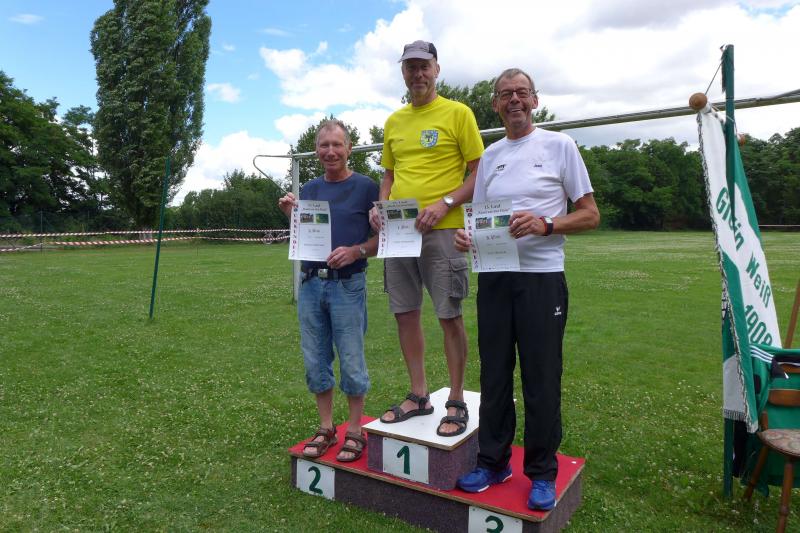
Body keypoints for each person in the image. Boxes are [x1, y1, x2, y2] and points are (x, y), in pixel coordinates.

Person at [454, 69, 600, 510]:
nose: (514, 100)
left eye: (521, 92)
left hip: (541, 278)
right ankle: (492, 462)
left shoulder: (560, 146)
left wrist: (546, 224)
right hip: (495, 277)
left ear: (535, 100)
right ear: (495, 105)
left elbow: (590, 214)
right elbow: (482, 218)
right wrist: (468, 236)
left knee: (541, 377)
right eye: (505, 94)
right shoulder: (491, 155)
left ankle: (541, 472)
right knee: (494, 374)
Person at [370, 40, 484, 437]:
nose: (417, 74)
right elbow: (389, 175)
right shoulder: (394, 121)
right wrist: (380, 206)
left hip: (443, 229)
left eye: (424, 66)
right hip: (399, 233)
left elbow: (479, 172)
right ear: (403, 72)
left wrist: (444, 203)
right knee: (404, 313)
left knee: (448, 314)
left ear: (437, 69)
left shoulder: (458, 113)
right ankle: (419, 395)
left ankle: (456, 398)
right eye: (410, 67)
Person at [278, 119, 379, 462]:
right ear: (316, 150)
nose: (331, 151)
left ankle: (355, 429)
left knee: (351, 359)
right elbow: (305, 236)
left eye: (337, 144)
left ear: (349, 148)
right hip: (310, 284)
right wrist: (291, 214)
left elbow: (383, 239)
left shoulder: (367, 187)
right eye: (324, 145)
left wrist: (356, 251)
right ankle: (325, 427)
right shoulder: (309, 189)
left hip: (348, 284)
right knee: (315, 359)